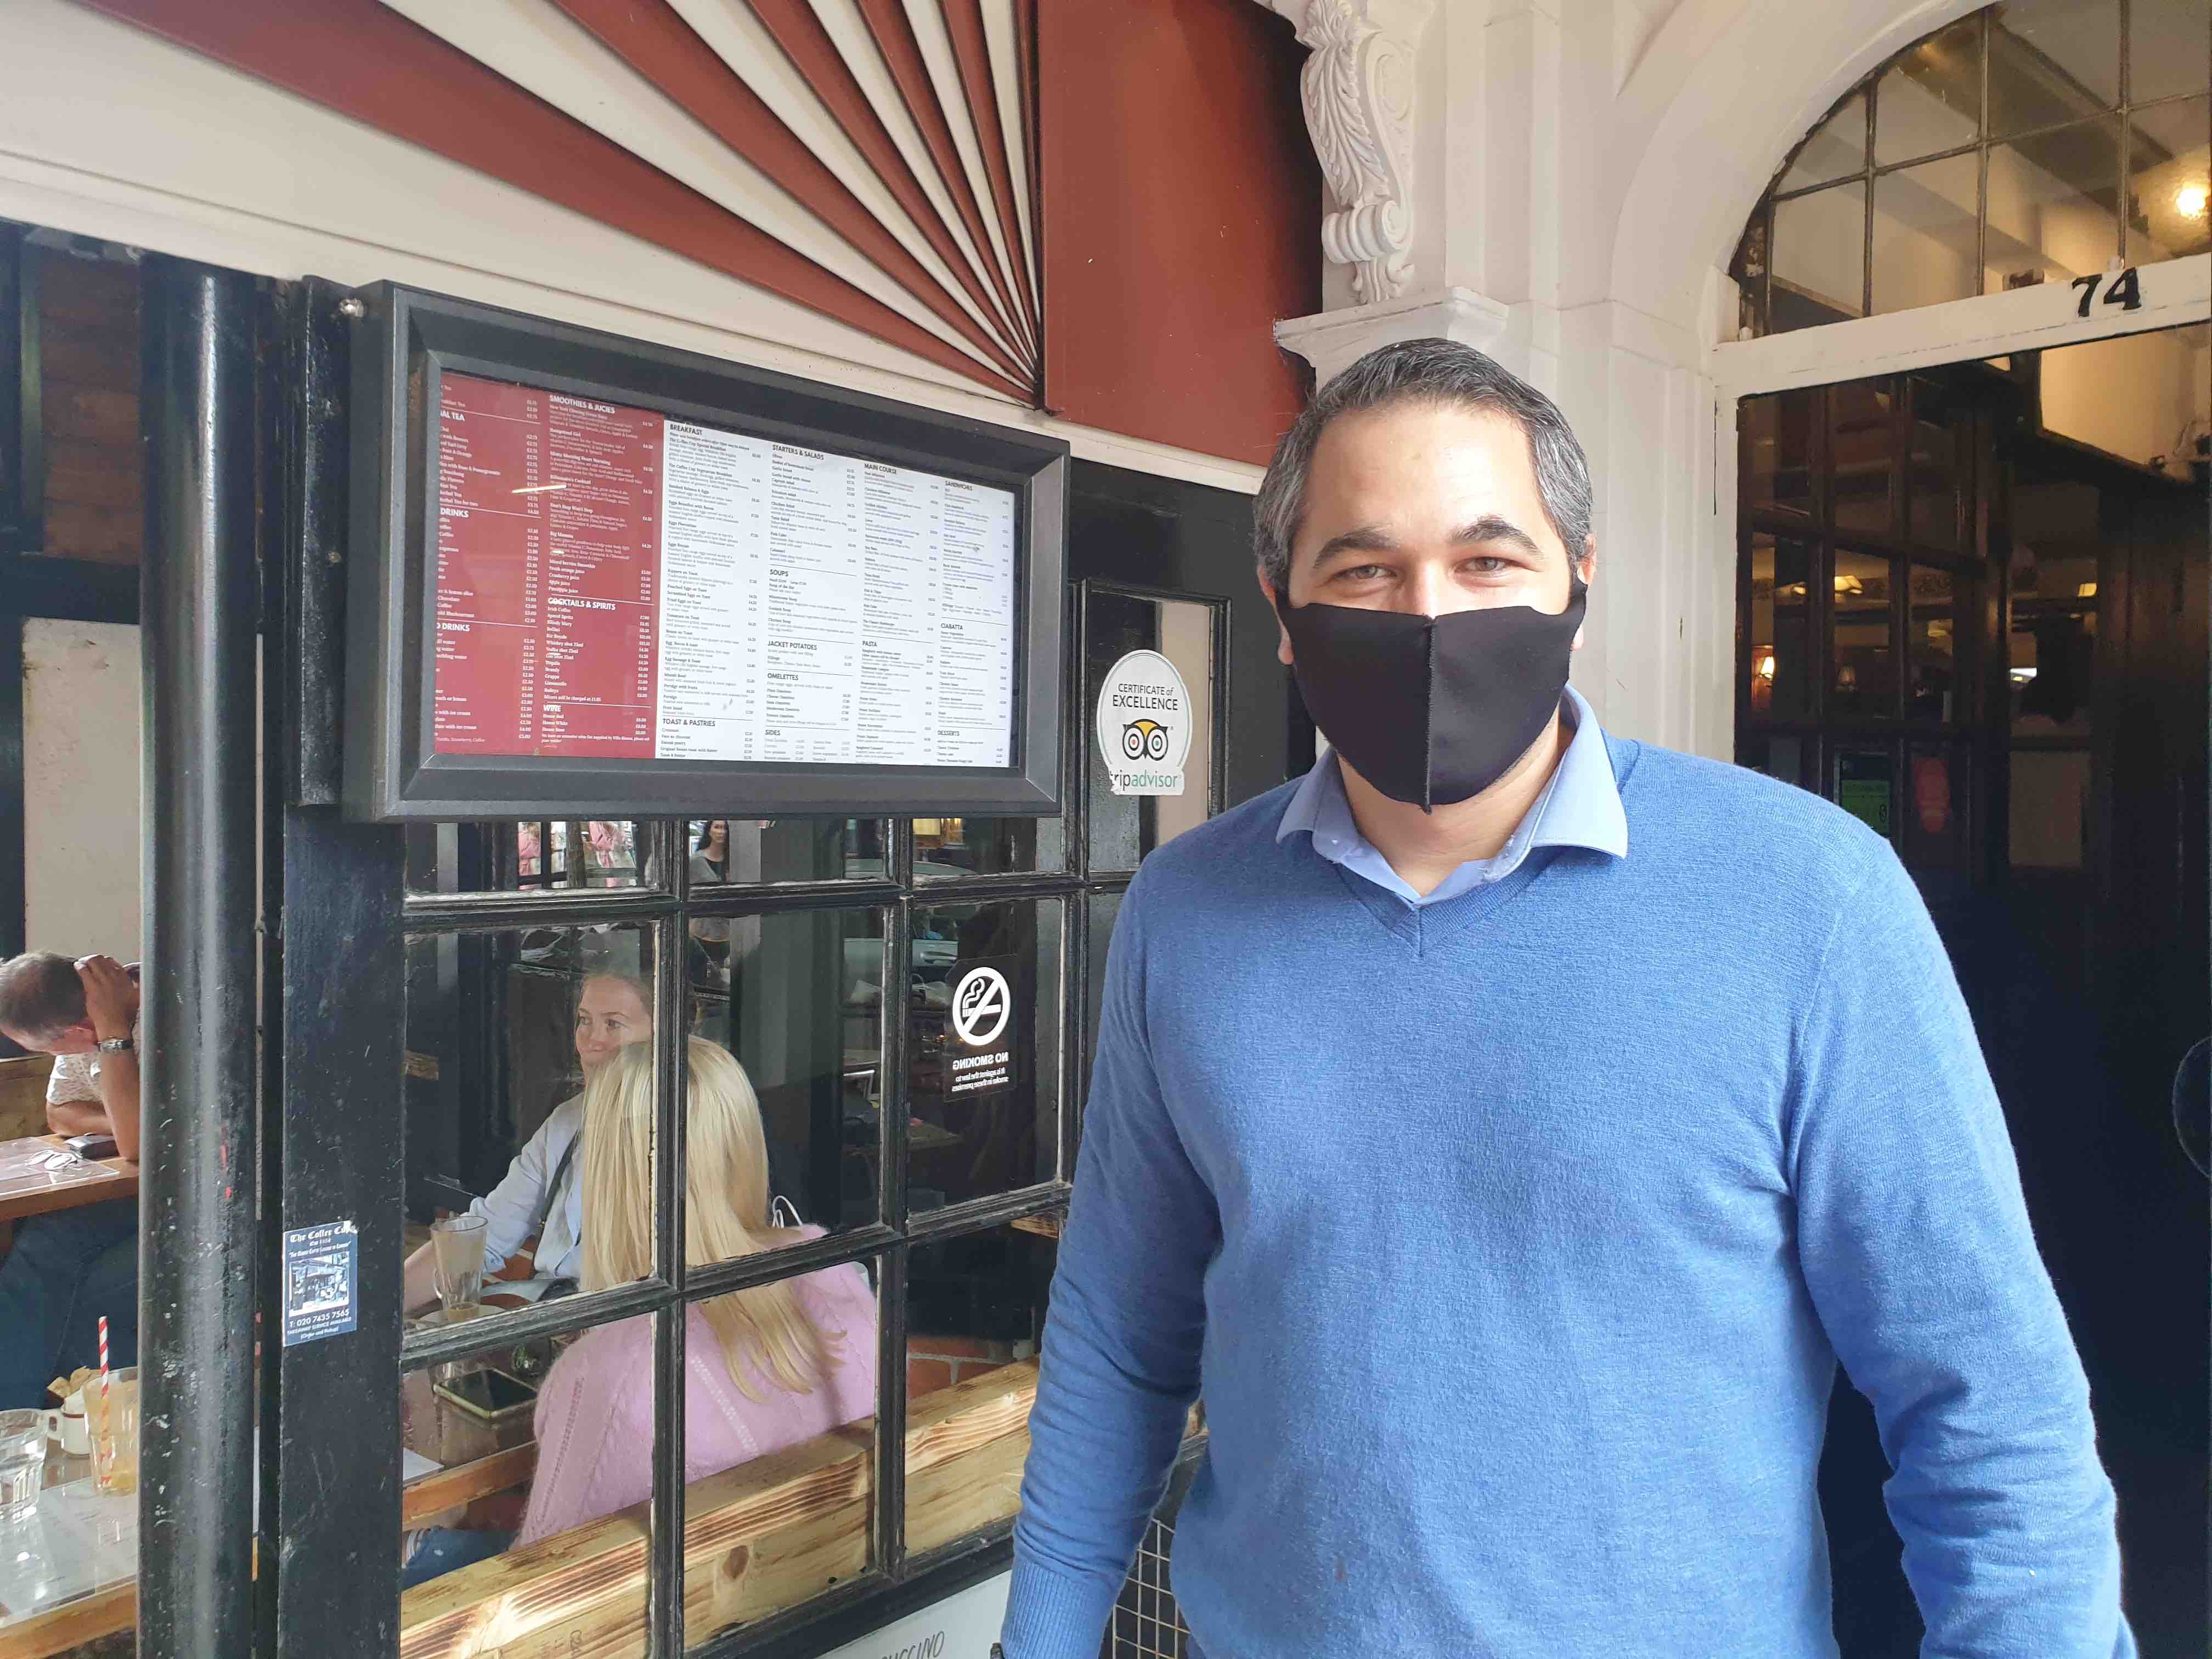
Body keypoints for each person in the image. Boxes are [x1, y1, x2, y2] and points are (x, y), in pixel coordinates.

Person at [998, 341, 2132, 1658]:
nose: (1429, 615)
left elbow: (1986, 1403)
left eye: (1488, 560)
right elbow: (1119, 1343)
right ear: (1283, 608)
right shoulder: (1186, 912)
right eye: (1364, 570)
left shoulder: (1808, 899)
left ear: (1578, 583)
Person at [400, 1037, 876, 1586]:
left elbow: (547, 1589)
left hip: (672, 1608)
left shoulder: (611, 1375)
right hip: (819, 1587)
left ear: (611, 1178)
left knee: (400, 1563)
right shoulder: (837, 1277)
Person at [401, 972, 651, 1312]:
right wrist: (376, 1312)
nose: (592, 1040)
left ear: (662, 1034)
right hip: (552, 1315)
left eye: (613, 1024)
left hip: (628, 1322)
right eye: (584, 1020)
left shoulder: (689, 1132)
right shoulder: (567, 1122)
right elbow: (485, 1235)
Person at [0, 952, 143, 1407]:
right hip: (136, 1191)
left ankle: (34, 1414)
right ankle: (15, 1415)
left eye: (49, 1050)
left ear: (81, 1031)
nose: (51, 1058)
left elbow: (140, 1145)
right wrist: (120, 1122)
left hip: (218, 1202)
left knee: (82, 1297)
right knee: (37, 1246)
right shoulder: (86, 1031)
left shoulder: (166, 1020)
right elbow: (60, 1112)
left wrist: (114, 1036)